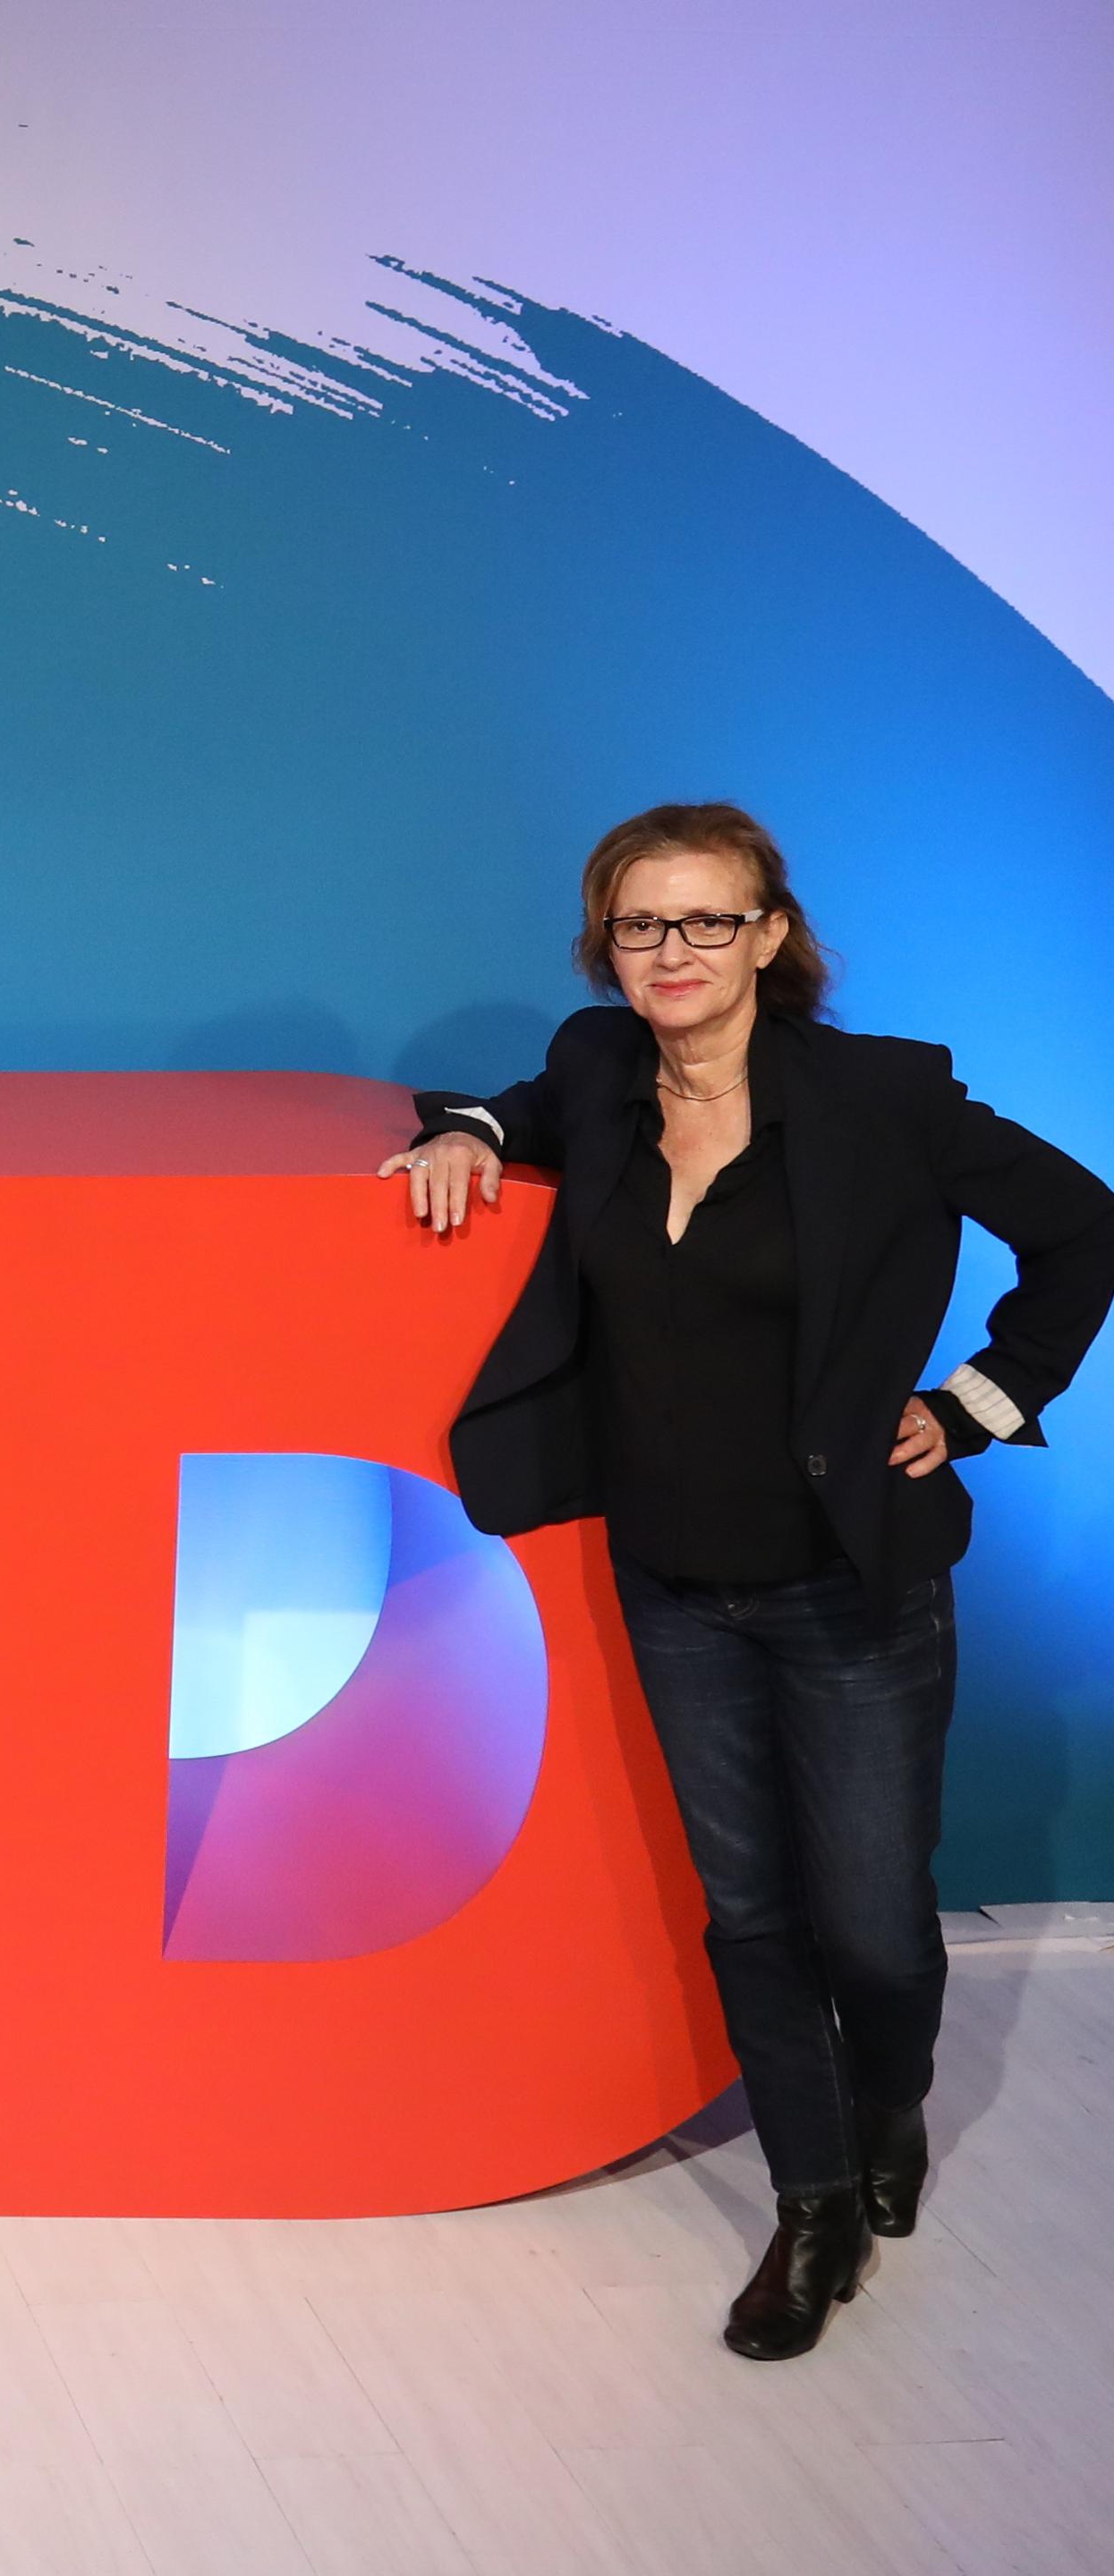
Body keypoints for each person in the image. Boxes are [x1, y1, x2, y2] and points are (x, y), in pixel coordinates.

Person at [387, 802, 1114, 2360]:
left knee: (875, 1928)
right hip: (674, 1583)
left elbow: (1086, 1230)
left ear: (771, 936)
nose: (674, 952)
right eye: (641, 924)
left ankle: (890, 2102)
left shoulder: (880, 1100)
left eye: (708, 921)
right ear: (606, 943)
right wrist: (471, 1135)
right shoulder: (599, 1068)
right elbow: (523, 1105)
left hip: (849, 1587)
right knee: (752, 1916)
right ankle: (813, 2204)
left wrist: (979, 1403)